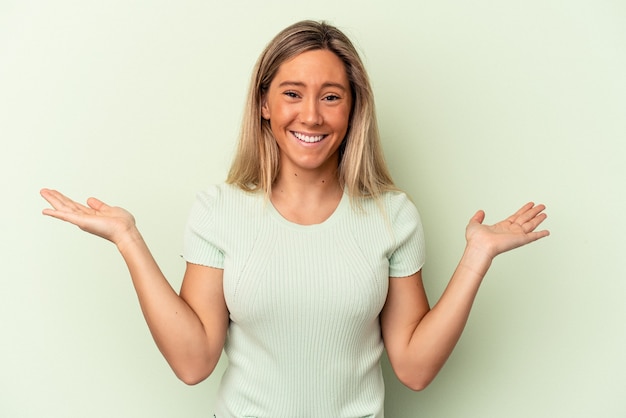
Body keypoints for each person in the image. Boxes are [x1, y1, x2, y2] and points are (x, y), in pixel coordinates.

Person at [40, 20, 549, 418]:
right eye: (291, 93)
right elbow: (194, 362)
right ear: (264, 103)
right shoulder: (220, 210)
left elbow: (414, 369)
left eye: (331, 96)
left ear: (353, 110)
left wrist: (477, 257)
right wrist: (128, 239)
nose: (311, 116)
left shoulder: (393, 215)